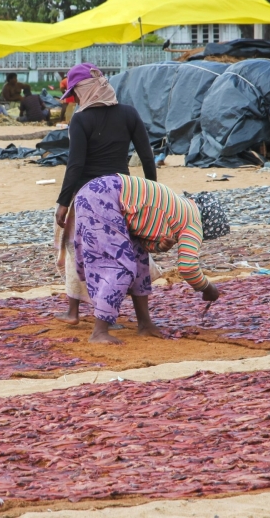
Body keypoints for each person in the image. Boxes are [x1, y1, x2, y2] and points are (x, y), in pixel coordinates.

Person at [54, 62, 157, 326]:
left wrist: (63, 203)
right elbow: (147, 157)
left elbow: (75, 165)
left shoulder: (80, 119)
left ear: (83, 91)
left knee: (85, 253)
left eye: (75, 94)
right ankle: (144, 322)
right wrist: (152, 193)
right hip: (126, 192)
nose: (74, 101)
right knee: (134, 251)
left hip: (92, 196)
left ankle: (87, 317)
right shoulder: (129, 114)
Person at [71, 174, 221, 344]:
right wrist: (208, 288)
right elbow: (188, 267)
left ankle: (145, 324)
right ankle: (99, 332)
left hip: (97, 191)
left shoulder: (182, 208)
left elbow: (142, 235)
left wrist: (160, 247)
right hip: (104, 195)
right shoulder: (194, 222)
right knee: (119, 266)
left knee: (139, 261)